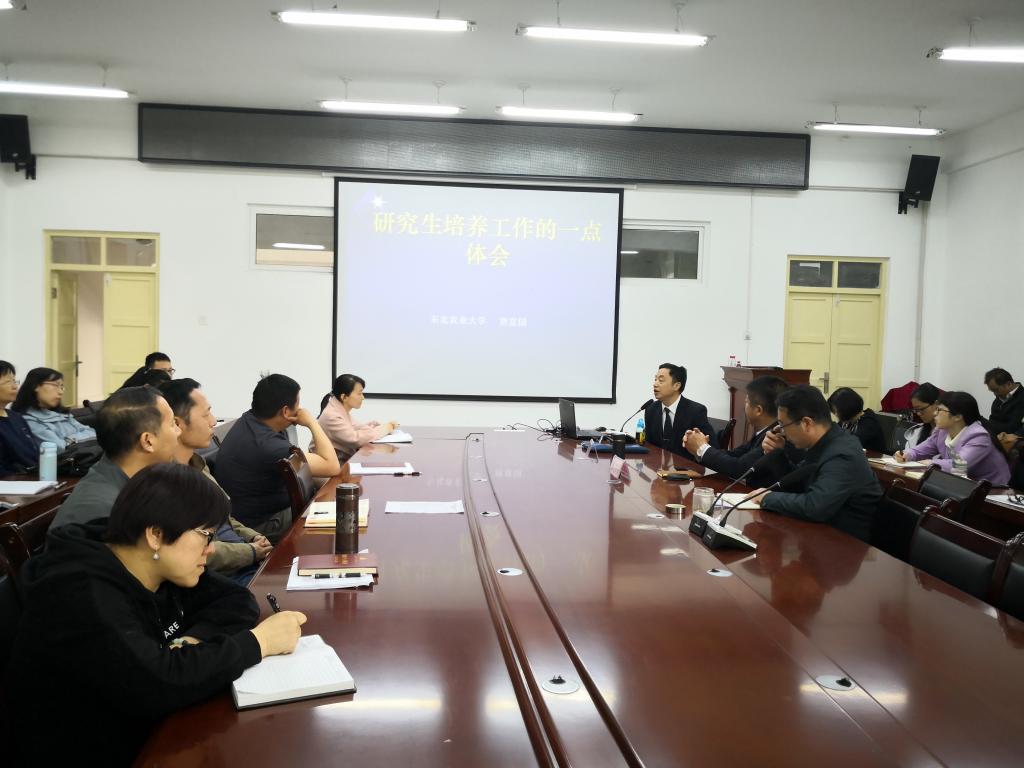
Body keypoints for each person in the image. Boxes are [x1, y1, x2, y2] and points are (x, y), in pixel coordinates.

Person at [4, 462, 307, 767]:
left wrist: (188, 643)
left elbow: (238, 601)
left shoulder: (158, 563)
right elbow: (157, 684)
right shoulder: (81, 592)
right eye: (206, 535)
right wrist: (258, 643)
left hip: (150, 728)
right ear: (156, 535)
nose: (212, 549)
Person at [159, 378, 273, 582]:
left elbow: (223, 519)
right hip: (223, 577)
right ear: (177, 423)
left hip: (245, 559)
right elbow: (198, 551)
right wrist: (250, 551)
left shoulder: (197, 463)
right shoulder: (166, 482)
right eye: (205, 415)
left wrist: (252, 537)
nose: (213, 421)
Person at [214, 374, 341, 542]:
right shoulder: (268, 445)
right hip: (262, 524)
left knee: (333, 494)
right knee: (338, 519)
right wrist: (312, 422)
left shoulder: (251, 420)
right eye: (298, 404)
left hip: (259, 510)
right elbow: (332, 466)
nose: (300, 410)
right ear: (286, 411)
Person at [750, 385, 882, 542]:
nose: (782, 432)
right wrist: (777, 454)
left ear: (806, 423)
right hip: (822, 534)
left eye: (783, 426)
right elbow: (800, 485)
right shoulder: (826, 442)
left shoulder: (842, 454)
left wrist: (767, 498)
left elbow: (815, 506)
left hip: (847, 544)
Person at [51, 387, 181, 529]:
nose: (179, 431)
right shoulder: (103, 512)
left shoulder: (136, 480)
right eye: (172, 424)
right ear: (148, 441)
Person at [683, 375, 789, 486]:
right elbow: (735, 454)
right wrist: (699, 448)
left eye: (746, 402)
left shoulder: (775, 437)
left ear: (758, 410)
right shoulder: (762, 432)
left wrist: (702, 448)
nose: (744, 406)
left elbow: (739, 467)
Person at [896, 391, 1010, 485]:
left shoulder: (978, 436)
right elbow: (920, 450)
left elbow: (959, 466)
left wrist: (930, 463)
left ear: (958, 417)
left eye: (939, 410)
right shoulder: (941, 431)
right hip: (961, 485)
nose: (935, 414)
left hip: (993, 490)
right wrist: (907, 455)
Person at [317, 373, 399, 461]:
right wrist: (385, 429)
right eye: (359, 393)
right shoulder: (332, 416)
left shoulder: (339, 409)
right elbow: (355, 439)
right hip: (334, 465)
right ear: (344, 397)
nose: (363, 397)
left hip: (341, 459)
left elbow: (356, 428)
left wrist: (376, 427)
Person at [11, 367, 96, 450]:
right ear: (36, 386)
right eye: (56, 385)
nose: (61, 392)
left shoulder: (62, 414)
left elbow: (93, 433)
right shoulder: (29, 420)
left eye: (61, 387)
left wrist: (68, 440)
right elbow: (58, 447)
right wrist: (76, 438)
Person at [643, 363, 716, 459]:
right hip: (657, 465)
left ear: (676, 386)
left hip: (686, 466)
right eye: (655, 379)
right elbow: (649, 446)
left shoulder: (696, 411)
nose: (655, 384)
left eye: (661, 380)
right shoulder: (651, 409)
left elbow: (712, 448)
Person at [0, 360, 38, 474]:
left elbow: (33, 453)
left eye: (14, 381)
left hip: (34, 475)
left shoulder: (16, 417)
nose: (15, 386)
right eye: (8, 381)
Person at [826, 386, 886, 453]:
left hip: (873, 458)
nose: (836, 414)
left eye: (836, 411)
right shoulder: (848, 420)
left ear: (847, 408)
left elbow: (848, 443)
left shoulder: (869, 423)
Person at [902, 382, 941, 451]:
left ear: (936, 404)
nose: (918, 414)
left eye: (921, 409)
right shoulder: (916, 432)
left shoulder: (948, 434)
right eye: (916, 410)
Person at [985, 367, 1024, 436]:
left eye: (996, 390)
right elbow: (992, 424)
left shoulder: (1022, 397)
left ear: (1009, 384)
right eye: (992, 391)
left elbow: (1013, 427)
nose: (995, 394)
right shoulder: (997, 401)